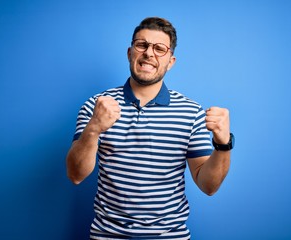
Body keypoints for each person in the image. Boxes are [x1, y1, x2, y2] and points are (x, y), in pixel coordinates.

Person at [66, 17, 234, 240]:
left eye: (159, 48)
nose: (148, 53)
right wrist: (94, 128)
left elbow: (208, 186)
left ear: (171, 61)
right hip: (108, 235)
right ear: (130, 52)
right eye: (141, 45)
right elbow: (76, 175)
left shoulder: (191, 112)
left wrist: (223, 145)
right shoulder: (97, 105)